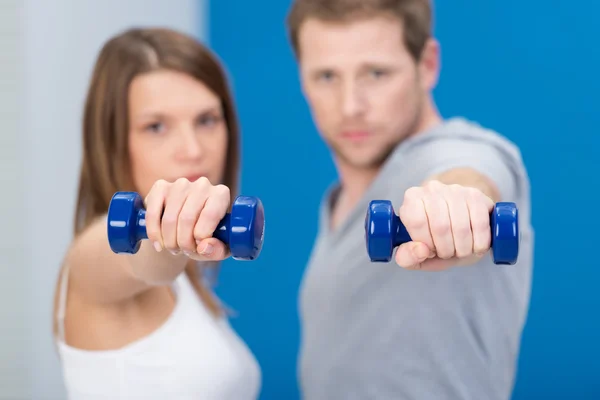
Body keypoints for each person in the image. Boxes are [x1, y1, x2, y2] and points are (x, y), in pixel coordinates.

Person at [285, 1, 534, 399]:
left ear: (427, 64)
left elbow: (468, 173)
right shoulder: (341, 202)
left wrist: (457, 207)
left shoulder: (464, 150)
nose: (350, 106)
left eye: (376, 73)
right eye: (327, 76)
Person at [52, 27, 261, 399]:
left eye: (207, 120)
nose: (192, 149)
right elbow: (142, 259)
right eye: (156, 127)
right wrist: (167, 243)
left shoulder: (190, 287)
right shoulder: (90, 258)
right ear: (113, 142)